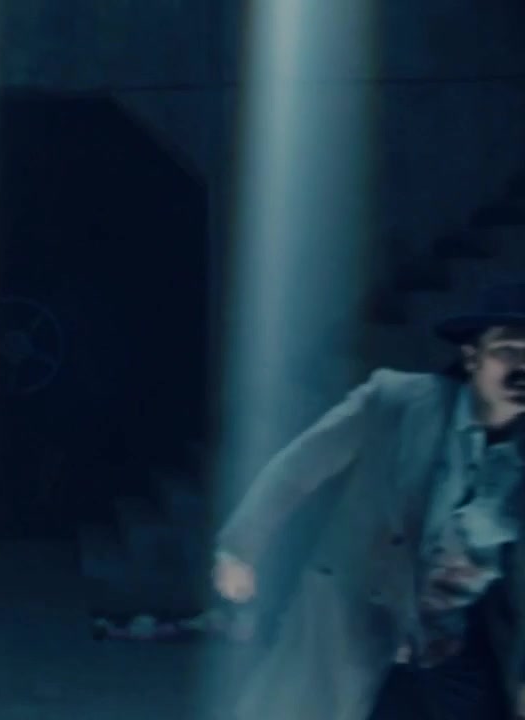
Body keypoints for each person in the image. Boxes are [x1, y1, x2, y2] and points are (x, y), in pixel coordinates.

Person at [214, 281, 525, 720]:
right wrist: (239, 547)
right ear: (472, 357)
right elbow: (300, 466)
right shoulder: (399, 401)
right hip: (362, 622)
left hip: (459, 644)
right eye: (508, 351)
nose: (521, 369)